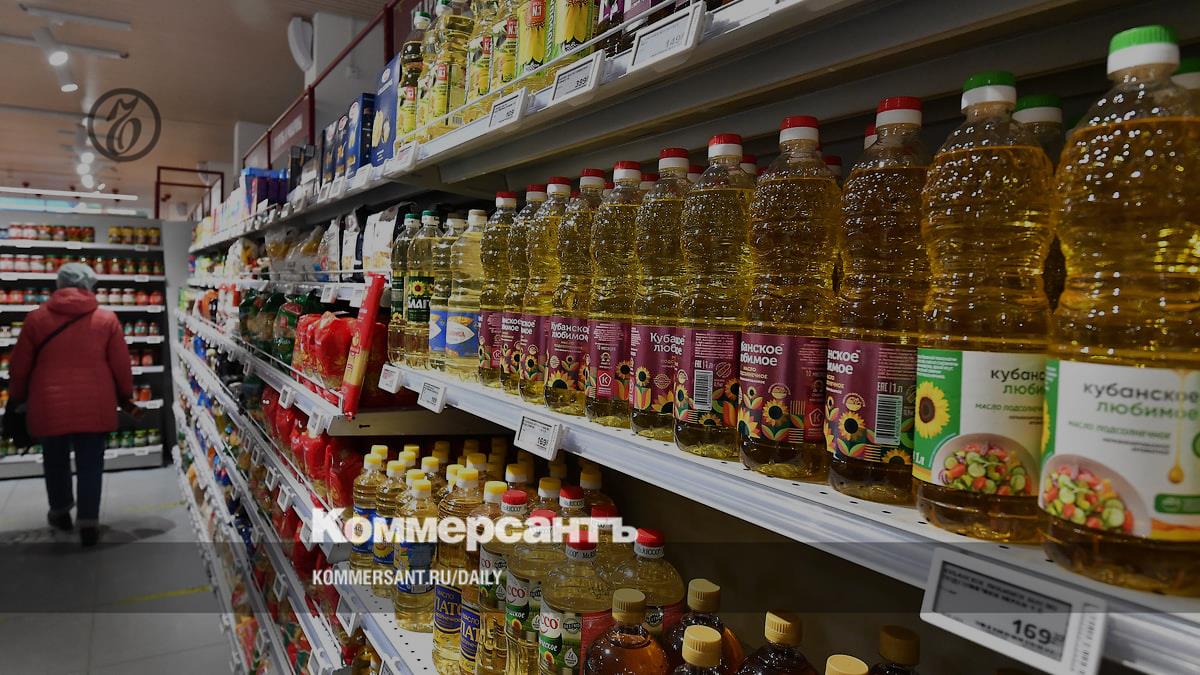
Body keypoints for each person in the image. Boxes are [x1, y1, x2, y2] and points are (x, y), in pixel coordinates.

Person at [7, 263, 136, 546]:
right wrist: (126, 394)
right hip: (95, 403)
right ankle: (88, 523)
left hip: (49, 404)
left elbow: (19, 367)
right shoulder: (106, 319)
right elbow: (121, 365)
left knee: (55, 461)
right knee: (91, 463)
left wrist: (17, 397)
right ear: (89, 285)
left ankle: (60, 512)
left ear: (59, 284)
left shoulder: (36, 319)